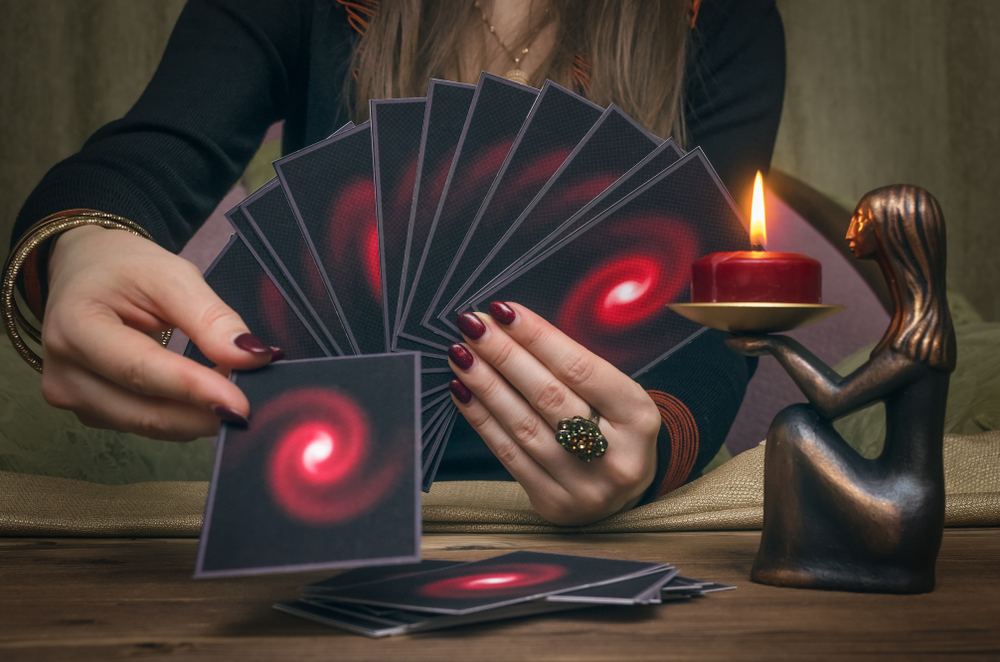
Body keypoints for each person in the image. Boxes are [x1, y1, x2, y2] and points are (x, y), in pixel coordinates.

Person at [5, 0, 785, 525]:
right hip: (325, 504)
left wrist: (642, 455)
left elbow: (716, 318)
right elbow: (146, 158)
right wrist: (82, 244)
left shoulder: (720, 17)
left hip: (604, 525)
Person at [726, 185, 955, 592]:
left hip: (900, 512)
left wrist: (779, 345)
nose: (852, 228)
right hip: (902, 503)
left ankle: (789, 560)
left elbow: (833, 400)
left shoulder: (920, 339)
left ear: (896, 231)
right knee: (797, 422)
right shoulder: (915, 325)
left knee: (795, 425)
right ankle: (795, 556)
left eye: (863, 220)